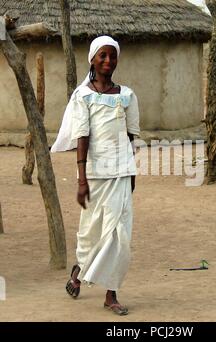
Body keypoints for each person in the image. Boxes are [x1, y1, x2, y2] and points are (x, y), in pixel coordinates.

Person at [51, 35, 140, 316]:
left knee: (120, 234)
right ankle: (78, 270)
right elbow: (82, 136)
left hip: (122, 171)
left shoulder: (127, 95)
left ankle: (110, 293)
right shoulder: (83, 96)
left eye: (112, 56)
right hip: (95, 174)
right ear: (92, 58)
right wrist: (81, 179)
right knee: (91, 233)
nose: (107, 61)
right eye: (102, 55)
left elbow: (130, 136)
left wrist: (131, 170)